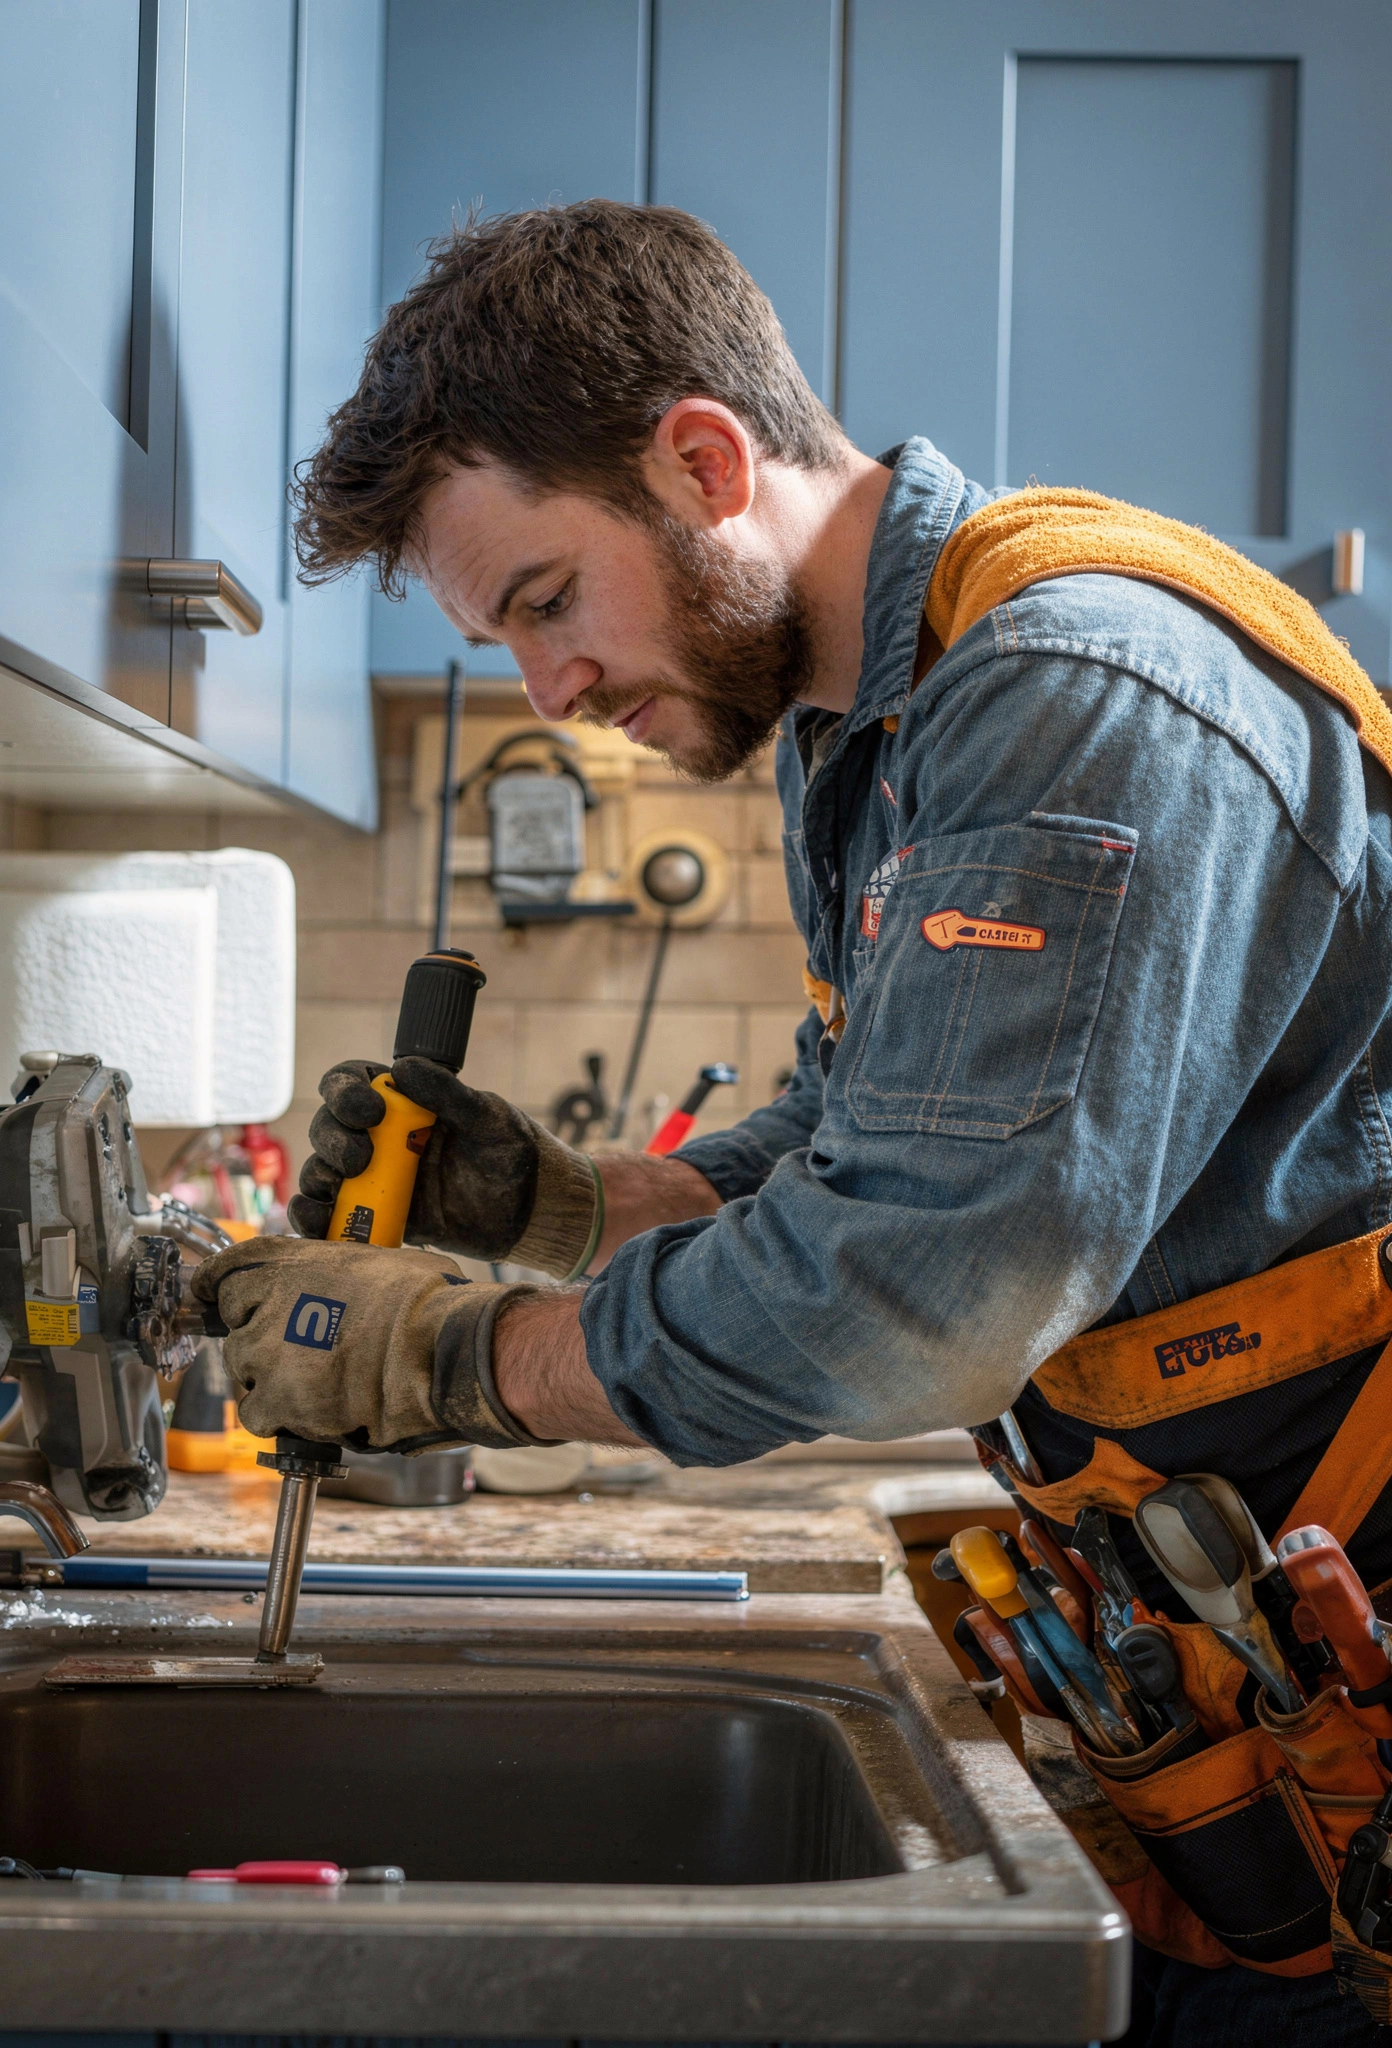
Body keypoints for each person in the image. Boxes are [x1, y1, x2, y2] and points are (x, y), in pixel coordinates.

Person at [193, 201, 1392, 2044]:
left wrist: (458, 1358)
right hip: (1237, 1652)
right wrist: (561, 1204)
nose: (555, 691)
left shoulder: (1067, 695)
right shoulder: (875, 717)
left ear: (700, 461)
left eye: (543, 601)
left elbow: (916, 1291)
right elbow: (862, 1134)